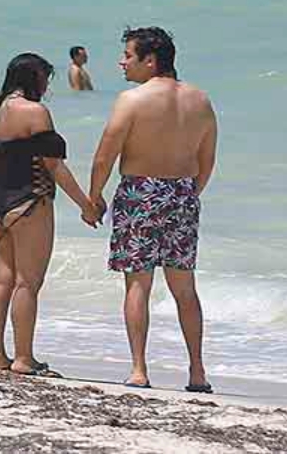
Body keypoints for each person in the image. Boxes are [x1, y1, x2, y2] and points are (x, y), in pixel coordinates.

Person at [86, 27, 218, 393]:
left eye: (128, 55)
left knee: (138, 283)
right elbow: (207, 160)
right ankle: (197, 372)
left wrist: (93, 198)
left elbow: (104, 156)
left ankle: (140, 370)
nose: (121, 62)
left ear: (150, 60)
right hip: (183, 193)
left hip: (140, 191)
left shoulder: (132, 100)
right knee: (184, 287)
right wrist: (188, 194)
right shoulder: (201, 100)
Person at [0, 53, 98, 377]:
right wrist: (86, 204)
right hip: (30, 201)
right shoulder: (35, 112)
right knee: (28, 283)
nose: (46, 87)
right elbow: (54, 165)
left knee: (1, 279)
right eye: (45, 79)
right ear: (33, 78)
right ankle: (24, 358)